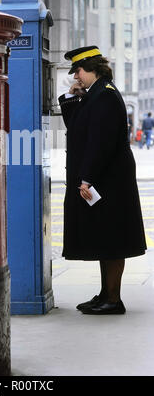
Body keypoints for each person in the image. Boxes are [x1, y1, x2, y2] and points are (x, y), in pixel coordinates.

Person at [58, 45, 147, 315]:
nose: (76, 77)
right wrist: (72, 98)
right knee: (103, 237)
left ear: (94, 68)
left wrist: (87, 179)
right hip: (104, 178)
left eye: (80, 71)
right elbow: (77, 129)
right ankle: (106, 293)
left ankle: (113, 298)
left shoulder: (105, 96)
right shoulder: (94, 94)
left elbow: (101, 143)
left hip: (110, 180)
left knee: (112, 238)